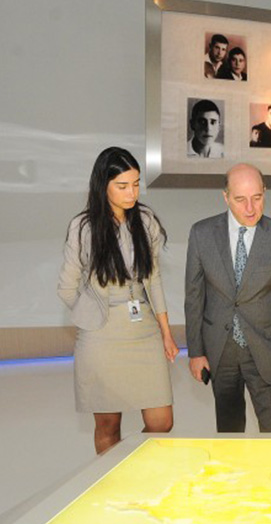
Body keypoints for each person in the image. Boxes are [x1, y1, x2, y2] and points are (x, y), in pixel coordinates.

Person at [57, 147, 178, 454]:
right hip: (101, 336)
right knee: (108, 426)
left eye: (136, 184)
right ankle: (115, 477)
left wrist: (166, 332)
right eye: (122, 186)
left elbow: (154, 279)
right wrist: (90, 317)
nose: (131, 193)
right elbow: (66, 287)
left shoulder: (146, 221)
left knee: (162, 421)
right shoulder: (83, 227)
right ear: (103, 185)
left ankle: (127, 462)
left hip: (144, 330)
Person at [184, 163, 271, 432]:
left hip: (267, 350)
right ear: (225, 197)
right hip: (221, 350)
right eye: (240, 199)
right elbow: (194, 297)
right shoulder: (202, 234)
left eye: (257, 198)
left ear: (265, 192)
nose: (250, 208)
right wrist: (196, 352)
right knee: (229, 433)